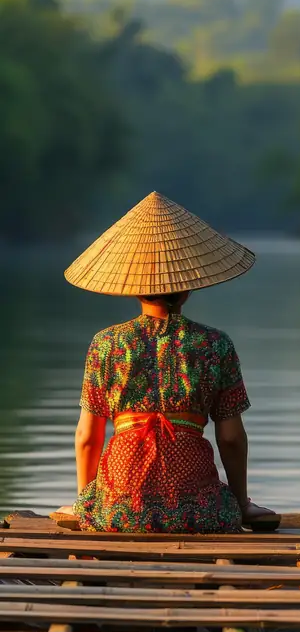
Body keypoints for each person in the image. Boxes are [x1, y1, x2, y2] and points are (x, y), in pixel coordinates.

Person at [61, 190, 278, 533]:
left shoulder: (106, 344)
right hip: (200, 513)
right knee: (225, 506)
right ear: (189, 287)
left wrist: (86, 502)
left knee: (95, 504)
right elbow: (232, 438)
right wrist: (240, 504)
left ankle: (94, 506)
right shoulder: (215, 345)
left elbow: (88, 437)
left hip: (119, 511)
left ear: (134, 287)